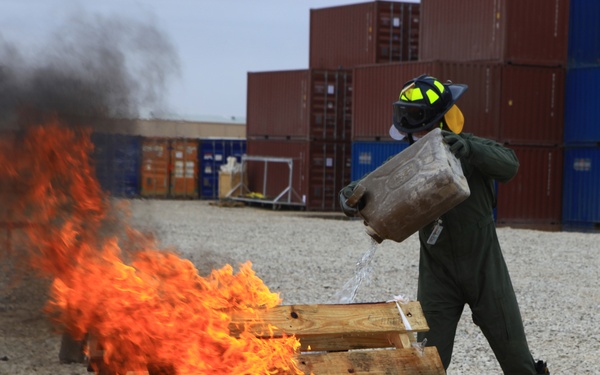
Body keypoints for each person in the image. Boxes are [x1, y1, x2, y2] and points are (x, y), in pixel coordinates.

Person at [339, 74, 549, 374]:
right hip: (438, 277)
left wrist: (469, 149)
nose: (417, 138)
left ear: (442, 121)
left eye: (423, 130)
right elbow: (374, 187)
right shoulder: (411, 163)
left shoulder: (470, 148)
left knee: (518, 361)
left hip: (485, 272)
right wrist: (349, 197)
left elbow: (510, 165)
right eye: (413, 133)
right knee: (428, 363)